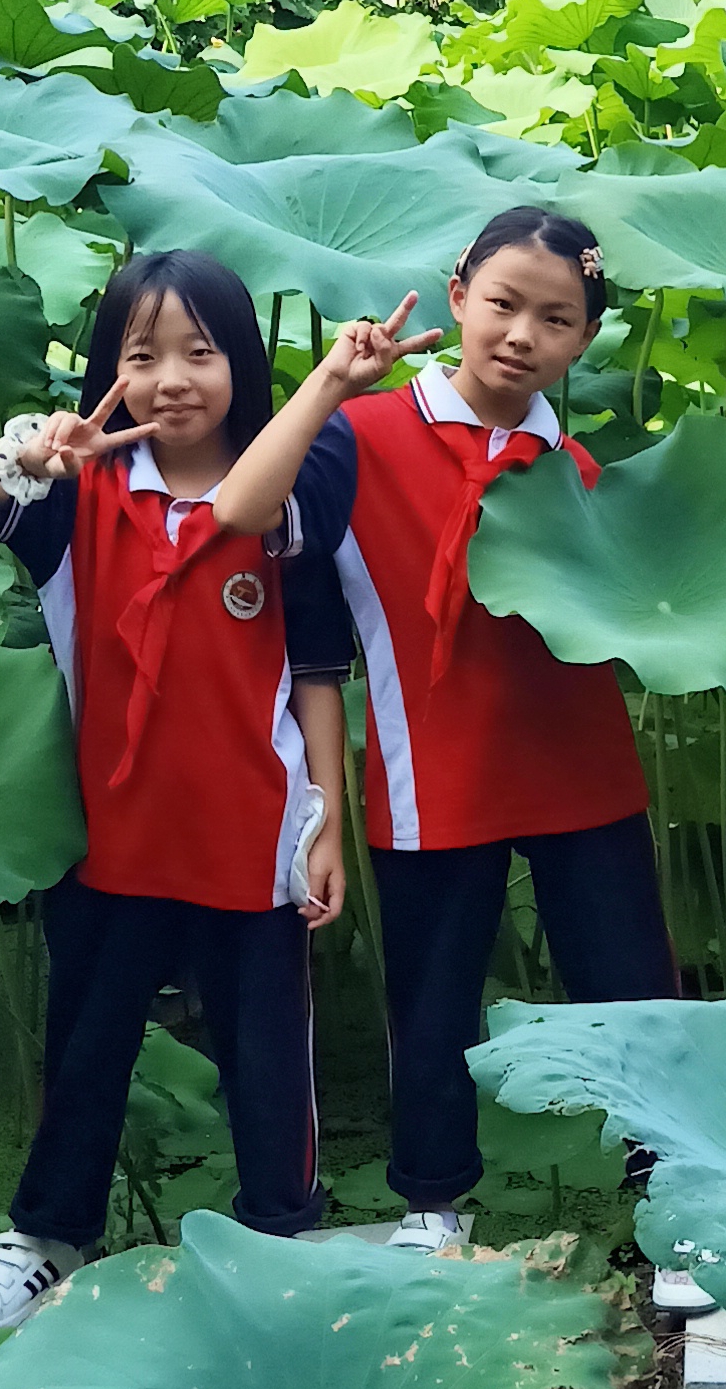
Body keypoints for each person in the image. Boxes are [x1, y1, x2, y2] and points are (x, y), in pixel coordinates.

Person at [0, 248, 424, 1334]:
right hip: (110, 831)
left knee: (266, 1052)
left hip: (254, 828)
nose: (171, 378)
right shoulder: (76, 496)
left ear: (241, 363)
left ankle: (278, 1234)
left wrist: (328, 819)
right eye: (142, 355)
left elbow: (315, 671)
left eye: (200, 352)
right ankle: (45, 1234)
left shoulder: (296, 481)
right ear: (109, 370)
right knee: (87, 1040)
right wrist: (30, 447)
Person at [270, 208, 682, 1254]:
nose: (520, 334)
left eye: (556, 318)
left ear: (584, 340)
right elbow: (251, 522)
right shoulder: (352, 441)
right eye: (502, 303)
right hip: (428, 768)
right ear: (457, 292)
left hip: (582, 768)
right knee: (432, 997)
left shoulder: (583, 477)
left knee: (630, 991)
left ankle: (674, 1195)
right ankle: (433, 1202)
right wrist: (326, 386)